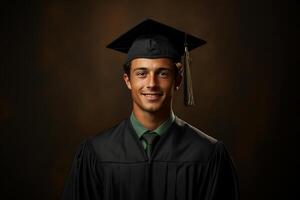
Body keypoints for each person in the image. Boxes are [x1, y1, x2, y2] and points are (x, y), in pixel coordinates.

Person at [61, 18, 239, 200]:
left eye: (162, 73)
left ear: (177, 81)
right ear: (127, 80)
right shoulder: (96, 153)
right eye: (141, 73)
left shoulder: (207, 154)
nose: (151, 83)